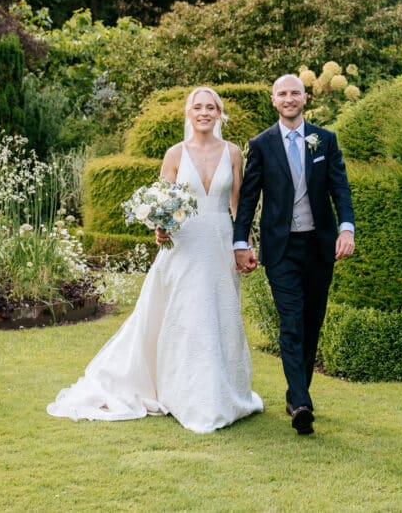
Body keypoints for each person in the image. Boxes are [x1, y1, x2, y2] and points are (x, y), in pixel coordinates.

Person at [47, 87, 264, 433]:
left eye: (211, 107)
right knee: (187, 315)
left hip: (220, 242)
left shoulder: (234, 153)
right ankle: (186, 395)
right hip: (185, 245)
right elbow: (163, 205)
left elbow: (238, 205)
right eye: (198, 107)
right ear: (188, 113)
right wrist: (159, 230)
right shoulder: (175, 154)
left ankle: (225, 392)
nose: (205, 112)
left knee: (221, 313)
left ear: (219, 114)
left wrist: (245, 244)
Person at [233, 74, 355, 435]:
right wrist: (242, 241)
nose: (289, 99)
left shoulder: (325, 140)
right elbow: (249, 198)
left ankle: (296, 393)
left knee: (312, 320)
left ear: (305, 98)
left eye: (294, 93)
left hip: (319, 246)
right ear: (274, 100)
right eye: (282, 94)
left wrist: (346, 227)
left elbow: (341, 189)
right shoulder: (261, 144)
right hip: (281, 248)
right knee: (291, 321)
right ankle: (301, 402)